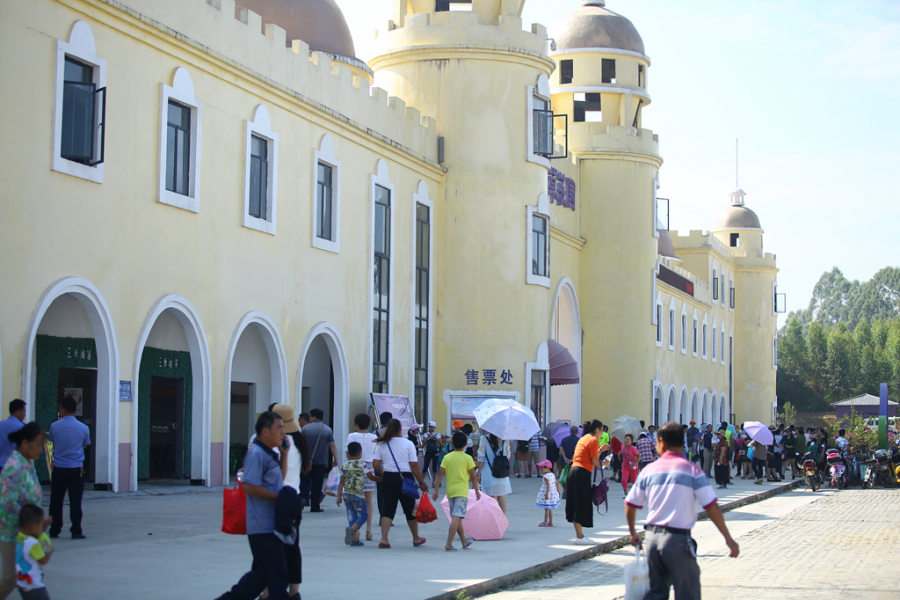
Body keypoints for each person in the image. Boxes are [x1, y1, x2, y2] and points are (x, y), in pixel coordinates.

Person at [626, 422, 739, 600]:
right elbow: (711, 506)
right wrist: (728, 539)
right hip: (677, 541)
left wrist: (633, 533)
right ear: (682, 443)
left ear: (661, 443)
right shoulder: (692, 471)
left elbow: (630, 503)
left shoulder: (649, 471)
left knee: (656, 593)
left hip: (652, 541)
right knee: (688, 593)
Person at [216, 412, 290, 600]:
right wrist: (278, 498)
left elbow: (278, 480)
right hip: (262, 525)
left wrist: (284, 455)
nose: (283, 432)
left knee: (262, 575)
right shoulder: (256, 454)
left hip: (271, 524)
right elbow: (249, 485)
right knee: (275, 575)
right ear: (265, 431)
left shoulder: (269, 453)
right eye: (279, 428)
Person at [0, 423, 46, 600]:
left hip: (30, 533)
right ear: (25, 443)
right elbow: (8, 506)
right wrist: (28, 528)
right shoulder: (14, 468)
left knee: (32, 577)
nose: (41, 450)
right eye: (38, 445)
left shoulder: (27, 464)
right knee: (11, 578)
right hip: (13, 534)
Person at [270, 404, 309, 600]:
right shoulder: (299, 442)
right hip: (294, 497)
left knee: (270, 547)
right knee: (292, 547)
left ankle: (268, 592)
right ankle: (294, 592)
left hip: (277, 498)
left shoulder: (280, 444)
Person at [372, 419, 428, 549]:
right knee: (410, 510)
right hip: (406, 479)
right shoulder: (408, 444)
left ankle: (384, 539)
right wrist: (421, 482)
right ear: (400, 429)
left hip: (388, 478)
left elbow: (375, 464)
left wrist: (383, 473)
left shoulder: (382, 444)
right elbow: (414, 465)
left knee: (388, 510)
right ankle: (416, 538)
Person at [48, 396, 90, 540]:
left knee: (56, 501)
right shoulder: (84, 428)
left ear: (63, 409)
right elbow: (85, 445)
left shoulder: (54, 426)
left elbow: (52, 442)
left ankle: (54, 529)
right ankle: (76, 530)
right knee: (76, 501)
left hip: (59, 468)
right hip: (76, 468)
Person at [432, 431, 479, 551]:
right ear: (465, 444)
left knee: (457, 518)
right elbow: (473, 477)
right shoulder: (468, 458)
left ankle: (464, 541)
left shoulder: (448, 457)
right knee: (456, 517)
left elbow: (440, 474)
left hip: (451, 491)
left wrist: (436, 490)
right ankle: (449, 543)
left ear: (452, 443)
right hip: (462, 492)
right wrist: (477, 491)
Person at [565, 420, 610, 545]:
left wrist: (599, 451)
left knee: (575, 502)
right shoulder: (593, 440)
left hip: (574, 470)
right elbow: (595, 462)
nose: (602, 433)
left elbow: (586, 455)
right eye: (602, 430)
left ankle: (580, 535)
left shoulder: (584, 438)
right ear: (597, 430)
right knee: (581, 503)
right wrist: (606, 463)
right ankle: (580, 537)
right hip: (582, 473)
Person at [336, 442, 379, 547]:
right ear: (360, 453)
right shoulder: (362, 465)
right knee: (363, 515)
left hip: (346, 495)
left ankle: (354, 540)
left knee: (352, 517)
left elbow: (341, 482)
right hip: (358, 495)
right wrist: (382, 479)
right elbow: (371, 477)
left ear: (348, 453)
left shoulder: (344, 466)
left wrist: (338, 496)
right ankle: (352, 531)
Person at [346, 413, 377, 540]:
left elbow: (348, 453)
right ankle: (369, 530)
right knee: (368, 501)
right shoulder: (374, 437)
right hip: (369, 467)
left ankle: (356, 529)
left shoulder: (352, 436)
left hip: (354, 468)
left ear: (356, 424)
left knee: (354, 501)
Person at [300, 408, 337, 513]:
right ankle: (315, 506)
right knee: (317, 484)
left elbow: (300, 444)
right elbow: (332, 445)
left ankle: (303, 499)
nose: (310, 418)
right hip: (321, 462)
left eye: (311, 416)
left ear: (314, 417)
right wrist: (336, 458)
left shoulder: (305, 429)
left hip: (306, 461)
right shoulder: (327, 429)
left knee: (304, 481)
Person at [15, 504, 53, 600]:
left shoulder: (20, 537)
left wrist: (43, 527)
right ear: (33, 527)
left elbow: (37, 534)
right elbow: (43, 560)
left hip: (21, 583)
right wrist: (49, 552)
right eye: (41, 525)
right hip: (34, 585)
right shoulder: (33, 543)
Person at [476, 434, 512, 513]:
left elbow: (481, 457)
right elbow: (508, 455)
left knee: (492, 498)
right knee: (502, 499)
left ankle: (494, 520)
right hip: (502, 473)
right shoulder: (505, 439)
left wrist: (479, 473)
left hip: (489, 473)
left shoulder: (484, 439)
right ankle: (501, 521)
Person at [0, 400, 26, 474]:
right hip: (15, 467)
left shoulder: (1, 425)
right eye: (23, 412)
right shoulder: (21, 427)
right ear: (17, 412)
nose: (24, 415)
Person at [535, 460, 561, 527]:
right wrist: (559, 491)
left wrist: (546, 494)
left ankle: (545, 522)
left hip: (547, 493)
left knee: (546, 508)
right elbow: (557, 483)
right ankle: (550, 522)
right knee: (549, 508)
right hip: (552, 494)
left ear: (547, 468)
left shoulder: (546, 476)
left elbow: (548, 485)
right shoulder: (552, 475)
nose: (541, 469)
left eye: (542, 468)